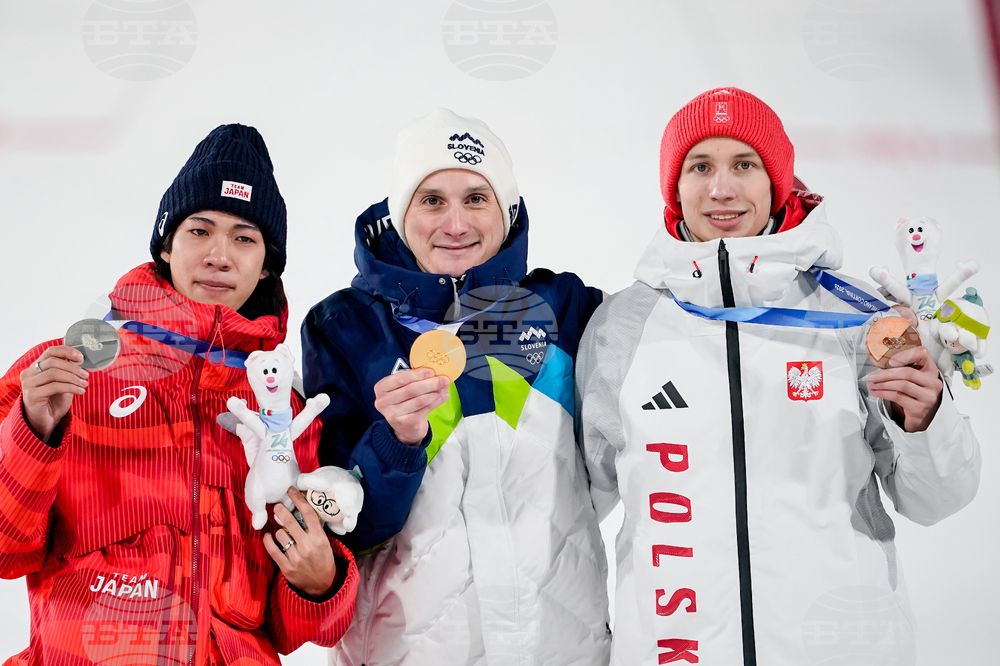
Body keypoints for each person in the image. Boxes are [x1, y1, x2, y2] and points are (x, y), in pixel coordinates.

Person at [575, 88, 982, 665]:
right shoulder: (621, 326)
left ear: (777, 181)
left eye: (744, 164)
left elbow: (936, 500)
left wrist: (927, 419)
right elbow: (573, 507)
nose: (722, 188)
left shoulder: (857, 318)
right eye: (700, 166)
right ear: (674, 187)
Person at [0, 124, 358, 666]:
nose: (219, 255)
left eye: (244, 238)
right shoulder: (67, 371)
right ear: (167, 245)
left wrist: (320, 582)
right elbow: (7, 549)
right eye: (199, 230)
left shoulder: (281, 406)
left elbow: (293, 630)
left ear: (267, 263)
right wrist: (32, 433)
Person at [302, 108, 611, 665]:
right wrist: (396, 442)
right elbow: (343, 532)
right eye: (431, 200)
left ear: (505, 211)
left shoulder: (565, 309)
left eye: (476, 198)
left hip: (559, 649)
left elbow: (626, 460)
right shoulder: (346, 327)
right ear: (401, 214)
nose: (456, 224)